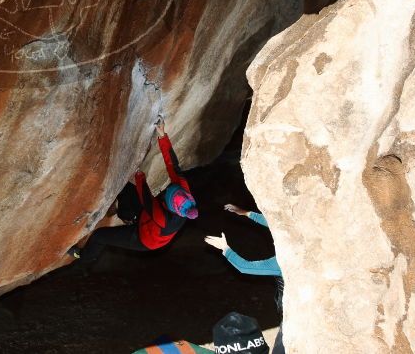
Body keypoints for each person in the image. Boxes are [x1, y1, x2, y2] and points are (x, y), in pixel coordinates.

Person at [68, 117, 198, 263]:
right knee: (125, 188)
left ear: (170, 206)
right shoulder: (182, 189)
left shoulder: (163, 218)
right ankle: (127, 215)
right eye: (171, 189)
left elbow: (146, 198)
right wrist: (162, 136)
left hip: (144, 239)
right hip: (148, 218)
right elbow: (172, 165)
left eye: (167, 194)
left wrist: (138, 174)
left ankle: (83, 256)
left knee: (99, 236)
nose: (167, 190)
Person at [205, 204, 285, 354]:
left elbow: (245, 267)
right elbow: (276, 224)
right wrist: (246, 213)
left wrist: (225, 248)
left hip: (293, 316)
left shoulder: (282, 262)